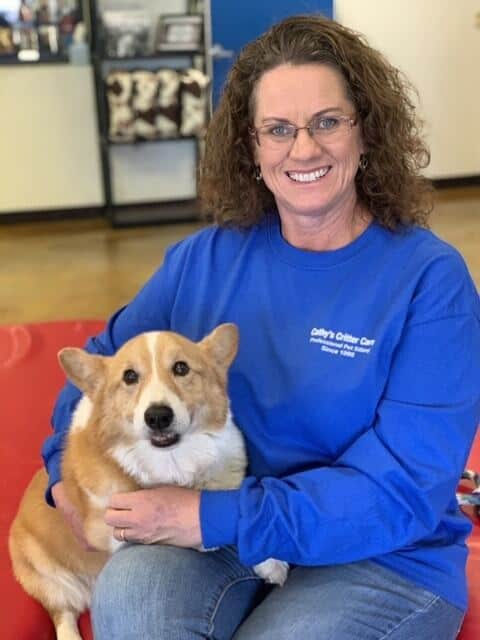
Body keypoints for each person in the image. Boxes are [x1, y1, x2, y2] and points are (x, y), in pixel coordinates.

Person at [42, 14, 480, 640]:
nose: (304, 149)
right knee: (133, 595)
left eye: (328, 122)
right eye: (278, 129)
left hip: (383, 556)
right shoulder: (203, 259)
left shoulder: (431, 281)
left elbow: (403, 490)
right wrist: (64, 471)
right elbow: (99, 366)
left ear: (367, 134)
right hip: (219, 531)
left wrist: (218, 517)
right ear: (250, 148)